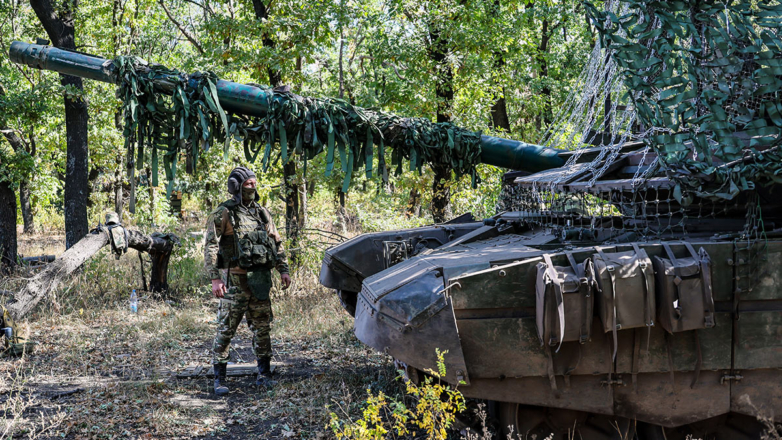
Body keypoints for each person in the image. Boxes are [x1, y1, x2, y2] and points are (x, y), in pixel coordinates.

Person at [204, 166, 292, 396]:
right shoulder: (224, 212)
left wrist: (284, 270)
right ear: (236, 186)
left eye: (255, 182)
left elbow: (276, 242)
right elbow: (211, 245)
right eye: (248, 183)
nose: (253, 186)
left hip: (261, 280)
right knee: (226, 329)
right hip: (235, 281)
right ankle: (219, 378)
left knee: (263, 328)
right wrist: (215, 278)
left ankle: (264, 374)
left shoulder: (262, 213)